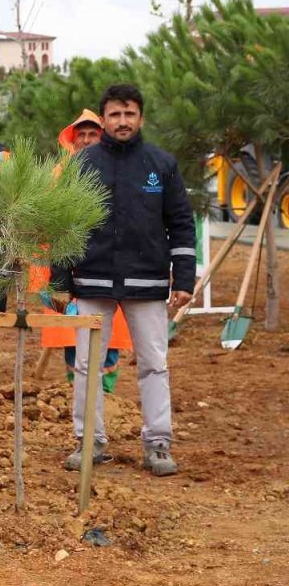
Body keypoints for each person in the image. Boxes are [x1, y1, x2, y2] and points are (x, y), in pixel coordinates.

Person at [52, 84, 195, 477]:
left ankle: (158, 443)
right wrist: (60, 279)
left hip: (147, 283)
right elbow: (66, 224)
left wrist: (183, 277)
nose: (122, 121)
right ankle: (90, 441)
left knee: (154, 363)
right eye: (114, 114)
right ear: (104, 120)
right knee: (87, 364)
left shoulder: (161, 164)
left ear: (141, 118)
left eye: (129, 114)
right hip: (93, 281)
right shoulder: (83, 165)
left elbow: (181, 223)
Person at [41, 109, 133, 407]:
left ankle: (106, 396)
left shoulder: (121, 169)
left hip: (112, 264)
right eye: (81, 134)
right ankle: (77, 394)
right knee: (72, 333)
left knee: (111, 333)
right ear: (73, 139)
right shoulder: (60, 173)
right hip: (70, 266)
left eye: (93, 133)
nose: (87, 139)